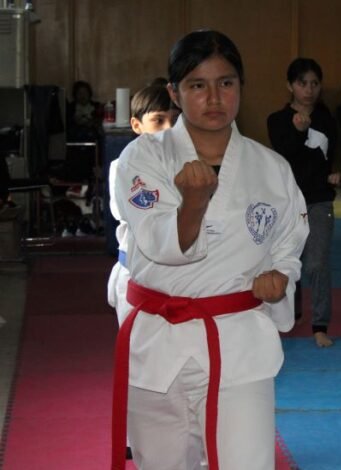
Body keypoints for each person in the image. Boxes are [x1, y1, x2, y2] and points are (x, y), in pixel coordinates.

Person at [110, 30, 309, 470]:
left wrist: (281, 276)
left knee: (246, 462)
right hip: (160, 343)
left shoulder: (271, 168)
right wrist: (193, 205)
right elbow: (155, 243)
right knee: (160, 463)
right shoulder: (142, 159)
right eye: (197, 85)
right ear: (174, 93)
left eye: (227, 83)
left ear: (241, 87)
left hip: (237, 339)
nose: (214, 97)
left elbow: (289, 239)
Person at [105, 84, 177, 460]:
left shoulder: (187, 162)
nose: (167, 128)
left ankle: (178, 433)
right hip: (134, 278)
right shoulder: (123, 167)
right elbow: (133, 215)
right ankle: (135, 437)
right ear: (136, 125)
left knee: (175, 363)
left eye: (173, 120)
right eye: (158, 120)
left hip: (173, 281)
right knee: (137, 359)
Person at [267, 57, 339, 348]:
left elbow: (330, 152)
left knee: (317, 263)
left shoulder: (327, 119)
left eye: (314, 84)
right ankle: (290, 313)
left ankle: (320, 324)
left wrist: (335, 170)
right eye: (302, 83)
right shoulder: (277, 120)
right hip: (288, 203)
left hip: (320, 200)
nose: (309, 90)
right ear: (290, 86)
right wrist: (298, 132)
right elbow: (284, 154)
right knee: (288, 262)